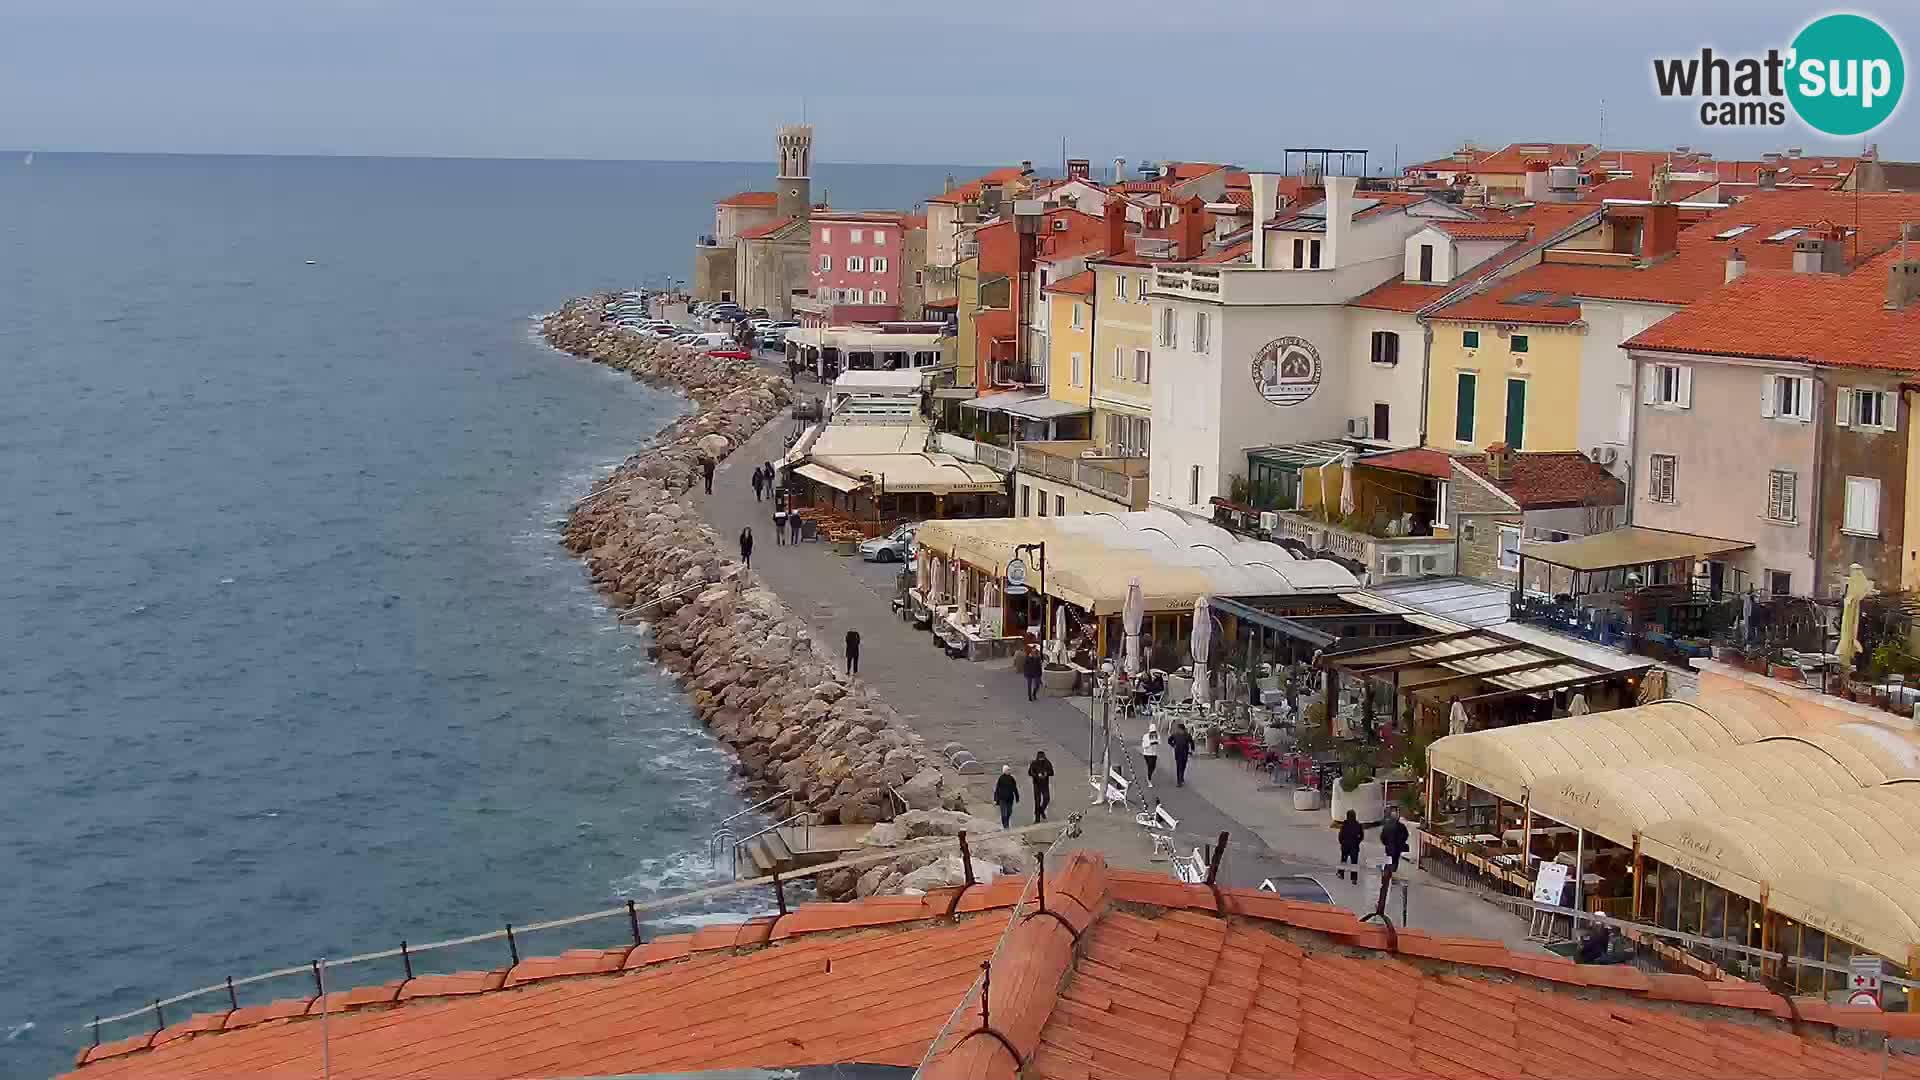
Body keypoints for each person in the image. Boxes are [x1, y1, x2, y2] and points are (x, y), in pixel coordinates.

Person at [1380, 808, 1410, 873]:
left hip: (1389, 848)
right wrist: (1401, 842)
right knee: (1395, 861)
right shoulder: (1401, 826)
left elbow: (1382, 837)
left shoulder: (1386, 826)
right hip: (1397, 848)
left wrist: (1386, 843)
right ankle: (1391, 873)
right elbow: (1406, 835)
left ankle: (1387, 872)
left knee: (1389, 860)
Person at [1338, 810, 1364, 883]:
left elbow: (1340, 836)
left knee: (1343, 861)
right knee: (1354, 863)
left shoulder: (1344, 825)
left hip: (1345, 846)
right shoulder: (1358, 825)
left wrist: (1342, 842)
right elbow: (1361, 835)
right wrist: (1357, 842)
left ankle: (1341, 873)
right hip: (1354, 847)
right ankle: (1354, 878)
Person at [1027, 751, 1053, 821]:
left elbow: (1052, 772)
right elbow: (1030, 772)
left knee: (1047, 798)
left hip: (1045, 784)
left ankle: (1041, 810)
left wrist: (1046, 773)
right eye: (1040, 758)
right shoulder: (1034, 763)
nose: (1041, 759)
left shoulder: (1047, 763)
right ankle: (1037, 819)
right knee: (1037, 801)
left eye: (1042, 758)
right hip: (1036, 784)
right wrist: (1037, 775)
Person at [1168, 723, 1195, 787]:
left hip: (1185, 753)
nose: (1177, 730)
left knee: (1183, 766)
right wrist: (1173, 745)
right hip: (1178, 753)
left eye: (1178, 729)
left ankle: (1181, 777)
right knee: (1179, 766)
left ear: (1181, 729)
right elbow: (1169, 740)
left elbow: (1192, 742)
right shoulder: (1175, 735)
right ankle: (1179, 781)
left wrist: (1192, 750)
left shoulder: (1187, 735)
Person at [993, 765, 1020, 829]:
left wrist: (1017, 797)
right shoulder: (1001, 779)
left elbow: (1014, 788)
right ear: (1004, 771)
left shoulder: (1011, 779)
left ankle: (1006, 822)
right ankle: (1005, 825)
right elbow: (997, 789)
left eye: (1009, 770)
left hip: (1010, 798)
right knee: (1004, 813)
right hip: (1002, 799)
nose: (1009, 771)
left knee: (1009, 812)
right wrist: (996, 799)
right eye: (1007, 770)